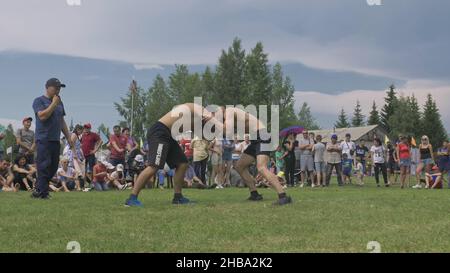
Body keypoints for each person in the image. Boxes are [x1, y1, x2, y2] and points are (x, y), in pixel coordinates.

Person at [125, 103, 224, 206]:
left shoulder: (199, 121)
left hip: (168, 135)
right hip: (160, 132)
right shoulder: (194, 108)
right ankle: (131, 199)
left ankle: (178, 197)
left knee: (182, 163)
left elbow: (203, 134)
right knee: (154, 166)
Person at [230, 107, 292, 205]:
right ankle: (254, 194)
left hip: (262, 137)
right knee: (239, 166)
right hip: (255, 140)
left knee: (261, 168)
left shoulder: (231, 112)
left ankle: (283, 196)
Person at [32, 78, 73, 199]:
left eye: (60, 88)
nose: (58, 90)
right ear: (47, 87)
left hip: (56, 139)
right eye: (56, 87)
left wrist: (68, 137)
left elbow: (61, 121)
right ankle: (43, 193)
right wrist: (54, 104)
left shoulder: (60, 102)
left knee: (54, 166)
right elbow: (42, 116)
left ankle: (38, 189)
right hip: (43, 138)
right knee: (44, 166)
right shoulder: (39, 101)